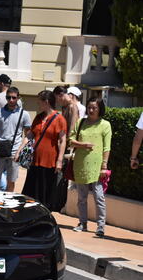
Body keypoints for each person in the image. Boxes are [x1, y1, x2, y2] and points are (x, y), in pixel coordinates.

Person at [68, 97, 112, 237]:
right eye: (89, 107)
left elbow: (107, 147)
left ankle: (100, 227)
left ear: (100, 109)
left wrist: (104, 166)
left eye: (94, 108)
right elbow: (70, 140)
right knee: (82, 197)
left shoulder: (105, 125)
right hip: (80, 164)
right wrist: (83, 145)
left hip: (97, 167)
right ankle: (83, 223)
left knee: (99, 197)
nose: (91, 110)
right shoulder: (81, 122)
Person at [18, 90, 68, 210]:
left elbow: (62, 141)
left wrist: (59, 160)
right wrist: (20, 150)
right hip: (35, 160)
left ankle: (43, 215)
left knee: (45, 193)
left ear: (46, 102)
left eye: (39, 102)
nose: (38, 105)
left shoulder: (59, 119)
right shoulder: (38, 117)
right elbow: (30, 135)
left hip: (50, 161)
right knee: (31, 191)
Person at [0, 87, 31, 192]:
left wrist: (20, 151)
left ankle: (7, 206)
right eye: (8, 97)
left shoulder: (24, 114)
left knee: (11, 182)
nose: (11, 100)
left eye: (13, 97)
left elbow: (28, 135)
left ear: (18, 98)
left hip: (14, 152)